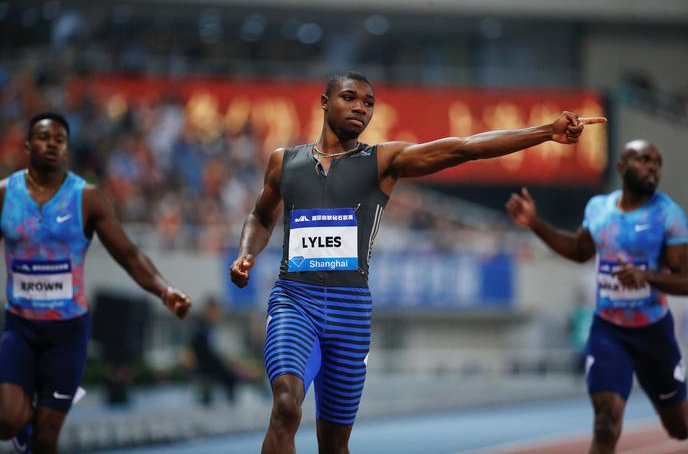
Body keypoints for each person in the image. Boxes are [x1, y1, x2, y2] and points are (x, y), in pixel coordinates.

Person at [230, 71, 605, 454]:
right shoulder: (284, 162)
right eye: (349, 97)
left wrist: (545, 131)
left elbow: (465, 147)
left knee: (334, 443)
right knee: (286, 406)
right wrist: (247, 252)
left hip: (350, 311)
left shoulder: (383, 162)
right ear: (325, 103)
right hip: (296, 300)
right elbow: (261, 216)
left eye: (369, 102)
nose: (361, 106)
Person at [0, 112, 192, 454]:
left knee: (47, 439)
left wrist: (164, 290)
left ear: (67, 150)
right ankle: (23, 421)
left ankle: (35, 425)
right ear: (28, 145)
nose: (52, 144)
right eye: (45, 137)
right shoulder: (4, 195)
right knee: (6, 420)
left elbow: (129, 254)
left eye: (60, 140)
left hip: (67, 332)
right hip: (19, 327)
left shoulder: (87, 198)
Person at [506, 139, 688, 453]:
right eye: (644, 160)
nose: (652, 168)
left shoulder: (669, 216)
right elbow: (579, 251)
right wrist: (534, 223)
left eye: (657, 163)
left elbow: (685, 281)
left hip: (653, 334)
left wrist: (647, 276)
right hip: (609, 332)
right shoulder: (599, 209)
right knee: (606, 422)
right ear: (621, 166)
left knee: (680, 428)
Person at [190, 297, 238, 405]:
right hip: (206, 365)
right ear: (210, 310)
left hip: (207, 364)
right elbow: (202, 350)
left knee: (229, 379)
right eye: (216, 311)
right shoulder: (202, 326)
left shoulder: (205, 325)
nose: (218, 314)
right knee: (230, 379)